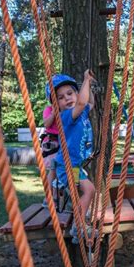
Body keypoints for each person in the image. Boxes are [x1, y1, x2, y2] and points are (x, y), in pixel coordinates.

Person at [48, 70, 96, 244]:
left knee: (81, 193)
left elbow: (90, 102)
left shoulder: (81, 113)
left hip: (74, 166)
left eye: (70, 93)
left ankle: (79, 224)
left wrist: (88, 84)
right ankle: (79, 226)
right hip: (66, 167)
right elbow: (83, 102)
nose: (67, 98)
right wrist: (84, 79)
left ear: (76, 93)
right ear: (56, 105)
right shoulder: (67, 116)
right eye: (61, 97)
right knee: (88, 190)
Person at [41, 92, 60, 206]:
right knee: (53, 170)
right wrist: (53, 112)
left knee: (63, 171)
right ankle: (49, 197)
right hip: (52, 142)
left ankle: (58, 196)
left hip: (64, 142)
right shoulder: (48, 109)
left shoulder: (67, 110)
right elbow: (47, 124)